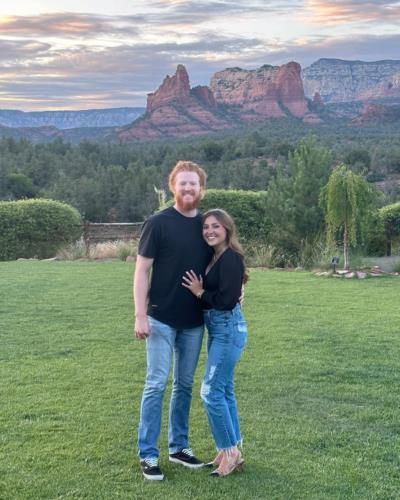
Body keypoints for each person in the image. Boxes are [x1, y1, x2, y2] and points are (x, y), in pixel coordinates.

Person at [134, 160, 212, 481]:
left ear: (201, 188)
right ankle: (148, 454)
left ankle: (179, 447)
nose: (188, 188)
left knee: (184, 385)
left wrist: (238, 289)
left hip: (194, 322)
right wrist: (140, 314)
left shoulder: (208, 226)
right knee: (156, 384)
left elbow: (225, 260)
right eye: (183, 183)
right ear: (173, 187)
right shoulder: (158, 223)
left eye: (193, 184)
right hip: (161, 319)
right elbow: (141, 270)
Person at [182, 208, 248, 478]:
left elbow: (226, 300)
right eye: (206, 227)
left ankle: (229, 451)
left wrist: (200, 293)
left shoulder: (230, 258)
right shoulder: (215, 256)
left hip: (228, 329)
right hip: (219, 329)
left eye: (215, 227)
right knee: (224, 391)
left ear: (227, 230)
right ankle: (231, 449)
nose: (209, 231)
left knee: (209, 392)